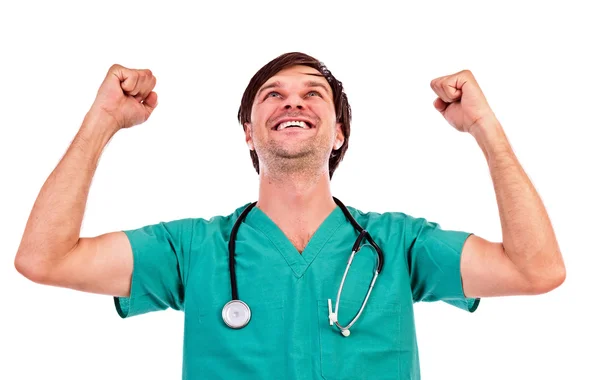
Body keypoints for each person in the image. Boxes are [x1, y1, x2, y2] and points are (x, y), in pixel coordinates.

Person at [14, 52, 566, 379]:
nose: (293, 103)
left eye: (313, 94)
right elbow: (44, 258)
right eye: (272, 95)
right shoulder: (193, 250)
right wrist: (102, 120)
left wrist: (485, 129)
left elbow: (536, 271)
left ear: (339, 131)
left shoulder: (397, 245)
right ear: (249, 133)